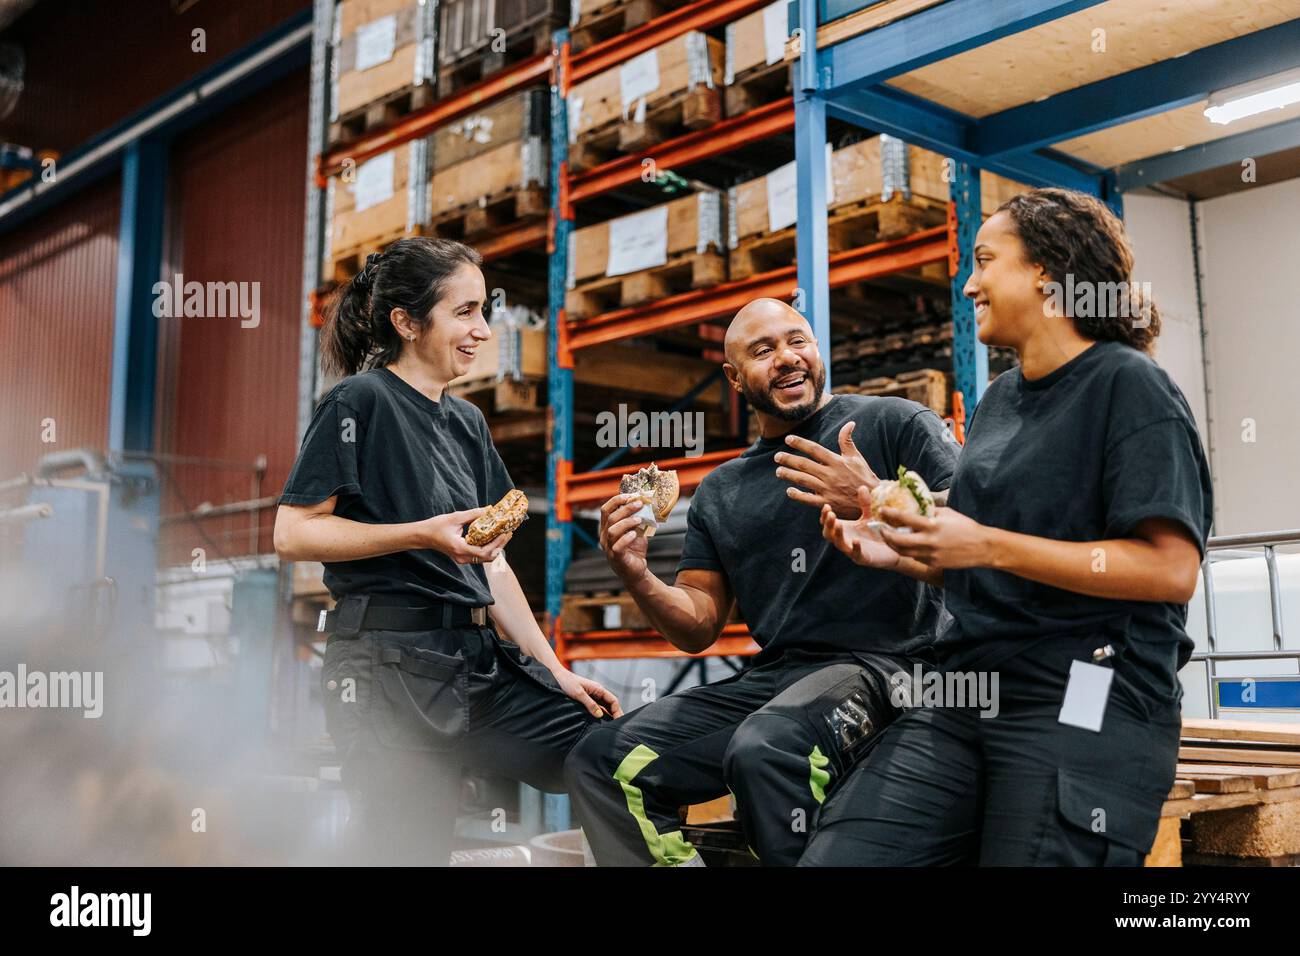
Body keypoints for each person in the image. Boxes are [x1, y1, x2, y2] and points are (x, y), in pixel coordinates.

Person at [802, 188, 1213, 866]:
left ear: (1047, 274)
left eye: (985, 261)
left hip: (1088, 689)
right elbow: (983, 557)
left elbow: (1171, 570)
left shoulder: (1128, 387)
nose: (969, 284)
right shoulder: (999, 400)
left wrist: (985, 542)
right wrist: (901, 551)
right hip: (972, 685)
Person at [564, 297, 958, 865]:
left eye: (797, 341)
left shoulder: (893, 423)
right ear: (733, 377)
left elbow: (979, 525)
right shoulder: (723, 491)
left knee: (767, 749)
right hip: (783, 678)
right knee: (601, 760)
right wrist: (635, 573)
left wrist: (877, 498)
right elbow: (699, 625)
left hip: (894, 665)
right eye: (763, 350)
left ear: (817, 350)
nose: (786, 358)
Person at [274, 237, 622, 866]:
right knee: (408, 852)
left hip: (479, 664)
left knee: (610, 754)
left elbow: (494, 561)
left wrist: (554, 671)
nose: (483, 331)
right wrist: (417, 533)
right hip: (388, 671)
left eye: (482, 310)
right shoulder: (359, 403)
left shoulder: (466, 423)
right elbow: (293, 532)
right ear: (406, 323)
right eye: (464, 312)